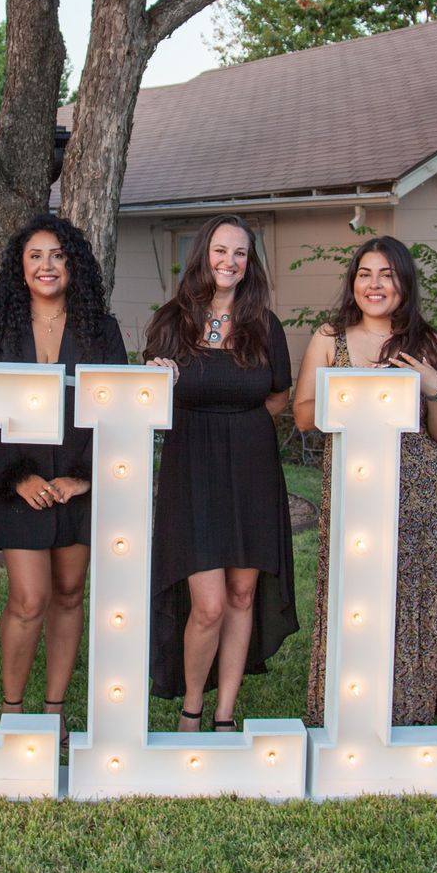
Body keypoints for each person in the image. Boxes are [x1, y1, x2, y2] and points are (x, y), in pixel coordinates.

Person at [294, 236, 437, 727]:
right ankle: (350, 705)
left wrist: (434, 388)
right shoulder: (331, 338)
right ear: (353, 283)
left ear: (404, 283)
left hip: (419, 489)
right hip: (356, 487)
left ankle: (412, 710)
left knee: (413, 593)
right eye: (365, 274)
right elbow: (303, 416)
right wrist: (359, 390)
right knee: (357, 593)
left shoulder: (429, 343)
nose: (375, 285)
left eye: (387, 275)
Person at [0, 214, 127, 729]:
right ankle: (13, 712)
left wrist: (84, 477)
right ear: (20, 267)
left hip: (77, 484)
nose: (47, 265)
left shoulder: (101, 331)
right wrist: (18, 478)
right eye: (35, 256)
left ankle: (54, 711)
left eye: (58, 255)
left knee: (69, 593)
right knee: (29, 598)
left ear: (73, 264)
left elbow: (118, 409)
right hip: (18, 484)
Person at [143, 214, 298, 732]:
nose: (229, 261)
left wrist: (239, 424)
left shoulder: (265, 325)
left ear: (249, 263)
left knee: (241, 595)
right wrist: (154, 377)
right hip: (193, 468)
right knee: (207, 605)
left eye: (240, 253)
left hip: (252, 468)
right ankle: (191, 709)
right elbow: (147, 400)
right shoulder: (171, 322)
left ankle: (225, 715)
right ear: (203, 255)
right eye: (220, 250)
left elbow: (278, 396)